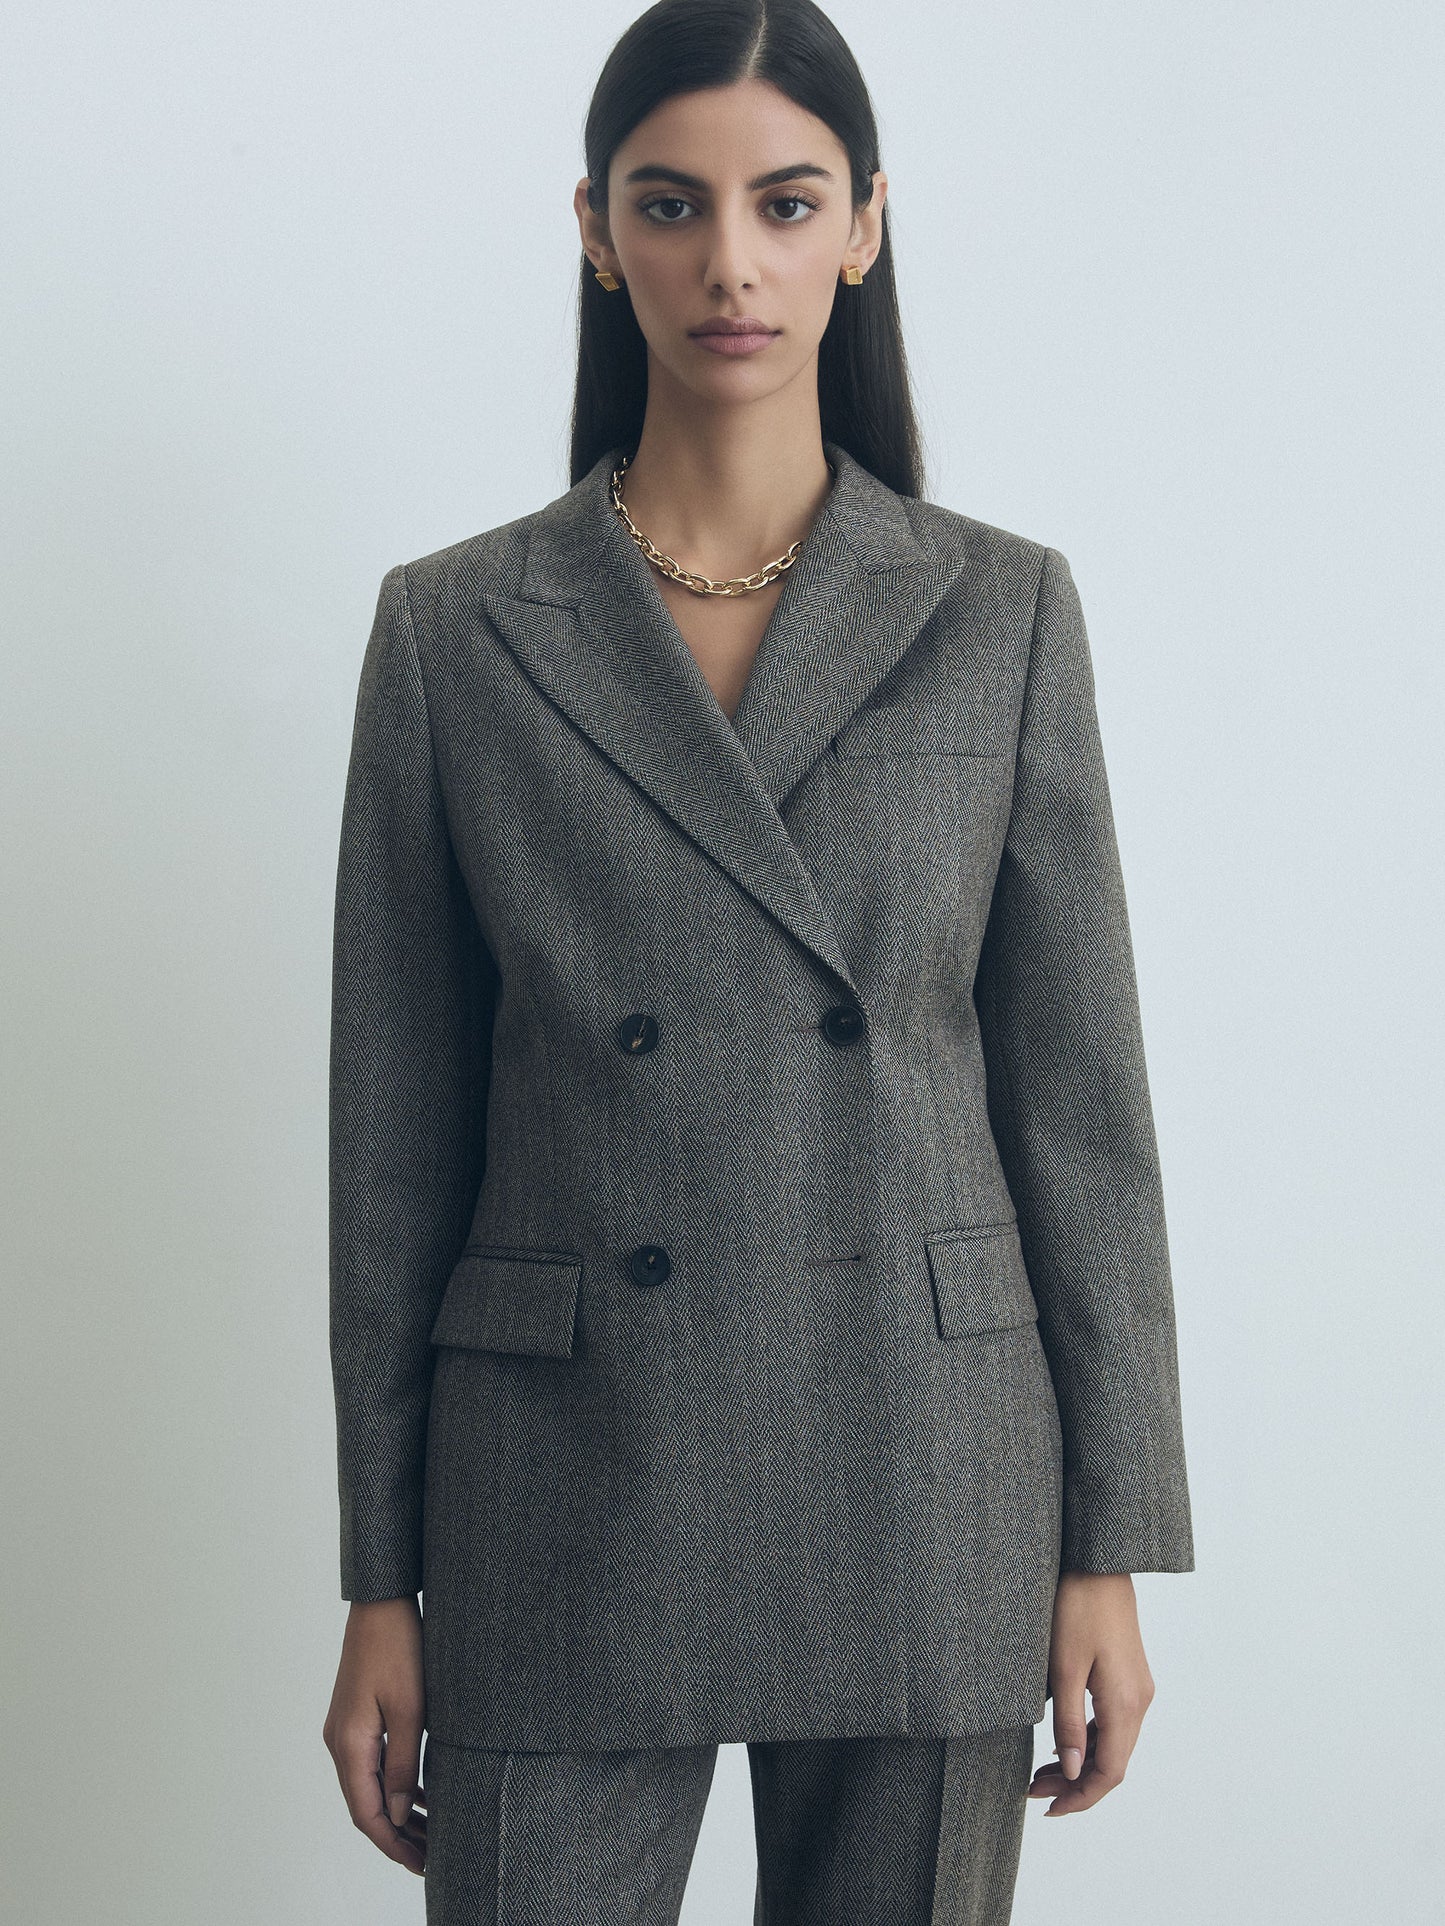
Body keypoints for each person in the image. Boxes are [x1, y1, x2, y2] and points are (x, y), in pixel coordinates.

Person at [321, 1, 1195, 1919]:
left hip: (924, 1452)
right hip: (561, 1478)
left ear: (863, 226)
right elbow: (392, 1149)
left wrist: (1103, 1543)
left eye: (786, 203)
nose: (729, 260)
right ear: (592, 226)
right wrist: (379, 1576)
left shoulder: (998, 609)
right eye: (671, 203)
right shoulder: (456, 631)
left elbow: (1080, 1110)